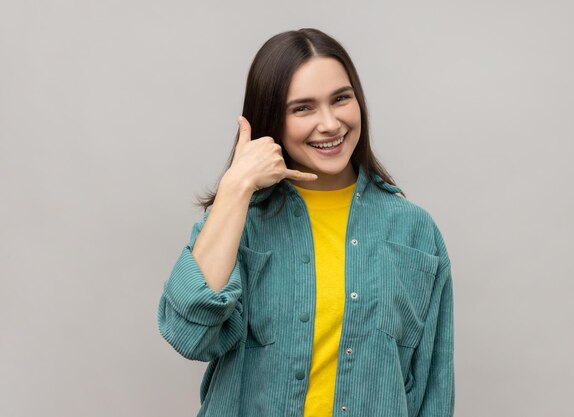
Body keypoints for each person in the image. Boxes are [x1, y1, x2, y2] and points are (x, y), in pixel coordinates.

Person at [157, 28, 454, 417]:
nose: (330, 124)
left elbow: (433, 387)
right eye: (303, 108)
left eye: (341, 99)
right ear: (272, 119)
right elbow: (188, 334)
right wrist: (235, 188)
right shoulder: (240, 220)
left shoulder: (415, 233)